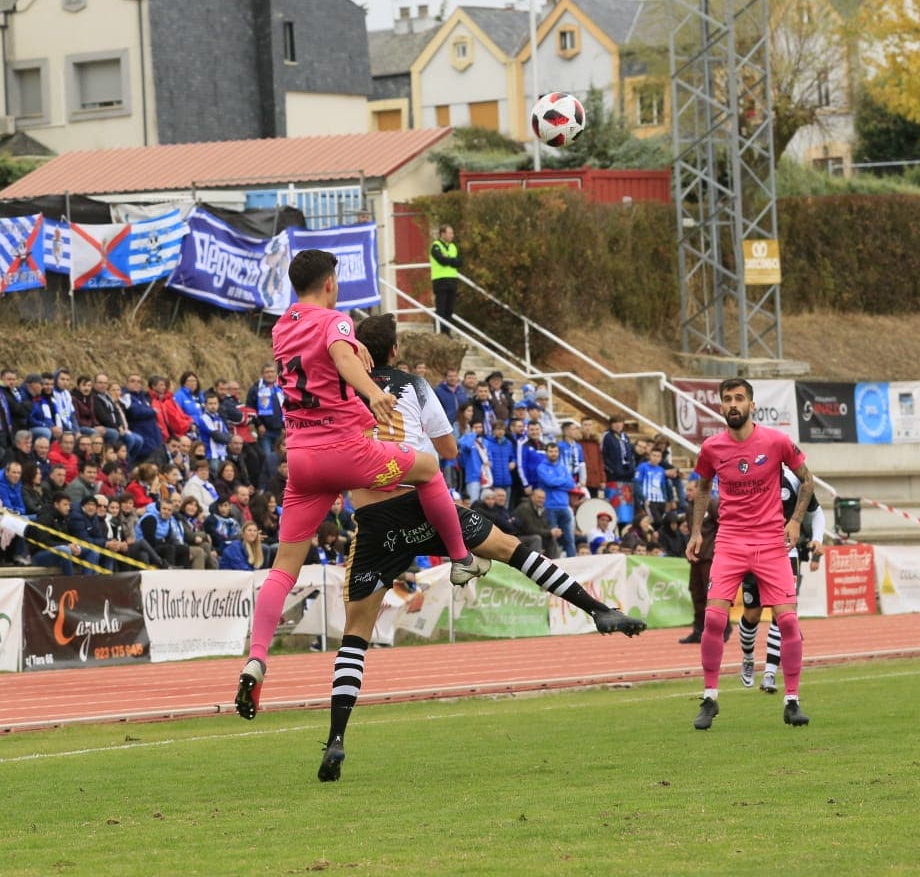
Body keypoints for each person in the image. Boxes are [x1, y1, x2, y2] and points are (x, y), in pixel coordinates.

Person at [315, 312, 645, 781]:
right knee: (512, 548)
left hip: (374, 518)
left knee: (356, 634)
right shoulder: (412, 385)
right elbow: (448, 452)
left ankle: (336, 739)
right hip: (421, 501)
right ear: (394, 352)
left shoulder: (341, 389)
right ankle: (596, 609)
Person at [234, 252, 489, 721]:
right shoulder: (336, 320)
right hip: (343, 451)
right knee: (430, 467)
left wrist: (352, 354)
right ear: (331, 282)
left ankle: (257, 657)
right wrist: (373, 392)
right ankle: (460, 559)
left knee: (283, 567)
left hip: (302, 460)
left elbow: (332, 356)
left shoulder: (281, 327)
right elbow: (337, 354)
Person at [686, 378, 814, 730]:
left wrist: (797, 521)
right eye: (727, 399)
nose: (732, 404)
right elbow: (700, 490)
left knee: (788, 622)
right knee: (714, 619)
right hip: (730, 541)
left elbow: (807, 479)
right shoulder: (711, 448)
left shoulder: (776, 441)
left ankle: (791, 701)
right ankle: (710, 698)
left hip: (771, 541)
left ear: (752, 405)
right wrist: (696, 532)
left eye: (739, 398)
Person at [737, 467, 825, 693]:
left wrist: (817, 539)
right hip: (754, 553)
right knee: (752, 614)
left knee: (783, 612)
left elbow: (816, 512)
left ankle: (769, 674)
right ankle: (748, 657)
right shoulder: (749, 480)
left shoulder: (795, 480)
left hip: (786, 553)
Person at [428, 224, 462, 336]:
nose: (452, 235)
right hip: (440, 280)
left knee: (449, 309)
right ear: (442, 234)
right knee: (441, 308)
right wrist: (452, 261)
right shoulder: (436, 246)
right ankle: (439, 331)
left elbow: (459, 262)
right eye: (450, 233)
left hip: (452, 280)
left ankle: (447, 332)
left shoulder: (453, 247)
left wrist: (449, 260)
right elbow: (441, 260)